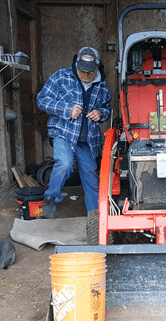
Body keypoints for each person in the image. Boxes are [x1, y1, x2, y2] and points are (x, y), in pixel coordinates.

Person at [37, 47, 112, 218]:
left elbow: (106, 108)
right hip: (64, 133)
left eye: (89, 72)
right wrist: (66, 109)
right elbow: (41, 100)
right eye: (82, 70)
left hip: (87, 139)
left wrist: (100, 114)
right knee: (64, 164)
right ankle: (51, 197)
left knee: (91, 178)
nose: (85, 74)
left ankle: (95, 218)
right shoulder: (60, 77)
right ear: (76, 64)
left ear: (97, 67)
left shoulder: (102, 86)